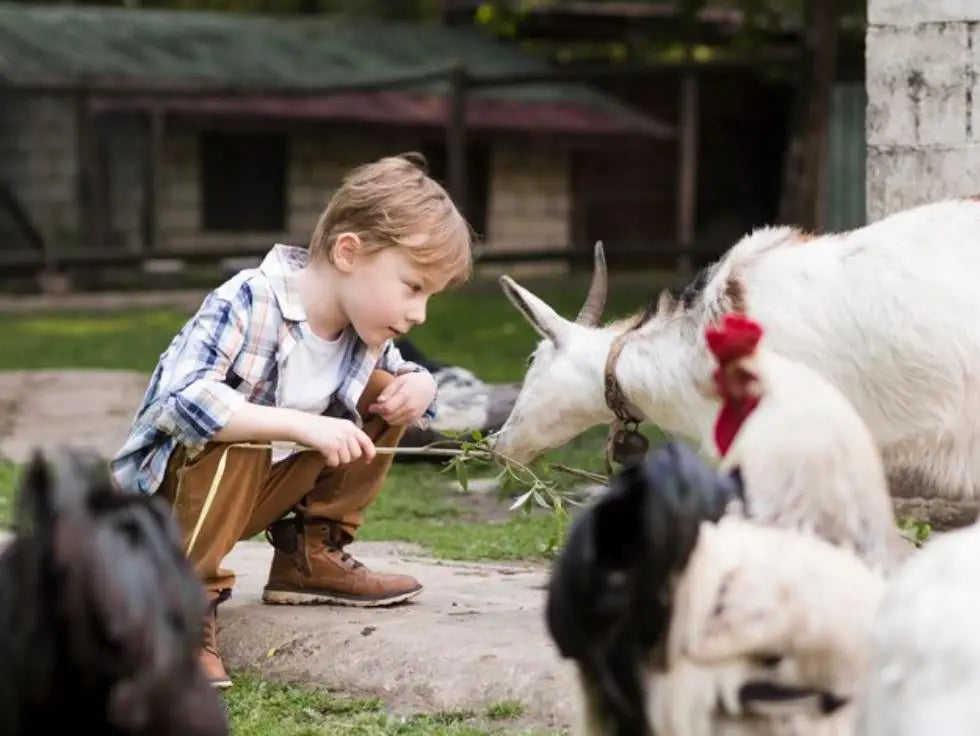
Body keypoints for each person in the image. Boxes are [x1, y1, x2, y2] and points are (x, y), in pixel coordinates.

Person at [109, 152, 474, 688]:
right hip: (164, 506)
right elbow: (181, 403)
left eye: (429, 297)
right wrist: (297, 425)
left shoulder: (360, 330)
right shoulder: (249, 299)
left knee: (392, 392)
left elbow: (406, 378)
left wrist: (422, 384)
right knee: (240, 431)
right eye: (413, 286)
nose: (419, 312)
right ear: (349, 252)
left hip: (250, 496)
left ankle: (310, 555)